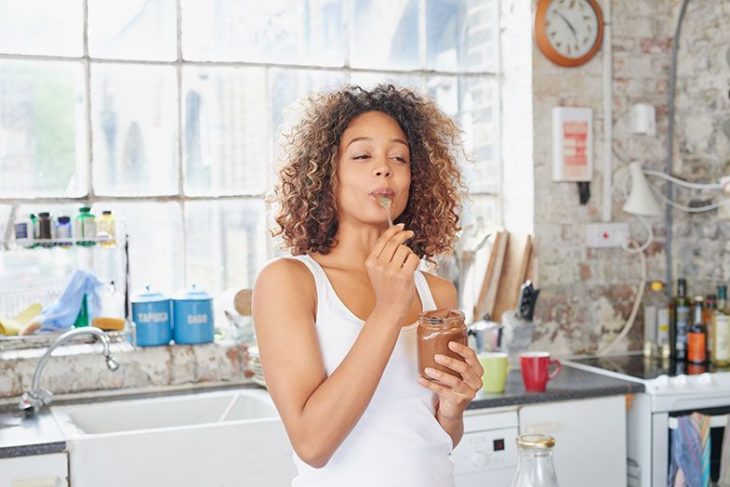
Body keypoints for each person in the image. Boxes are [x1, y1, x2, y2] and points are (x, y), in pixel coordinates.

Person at [252, 84, 483, 486]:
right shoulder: (290, 283)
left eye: (399, 157)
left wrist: (453, 409)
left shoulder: (437, 294)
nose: (384, 168)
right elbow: (313, 444)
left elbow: (433, 439)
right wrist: (389, 309)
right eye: (362, 155)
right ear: (327, 174)